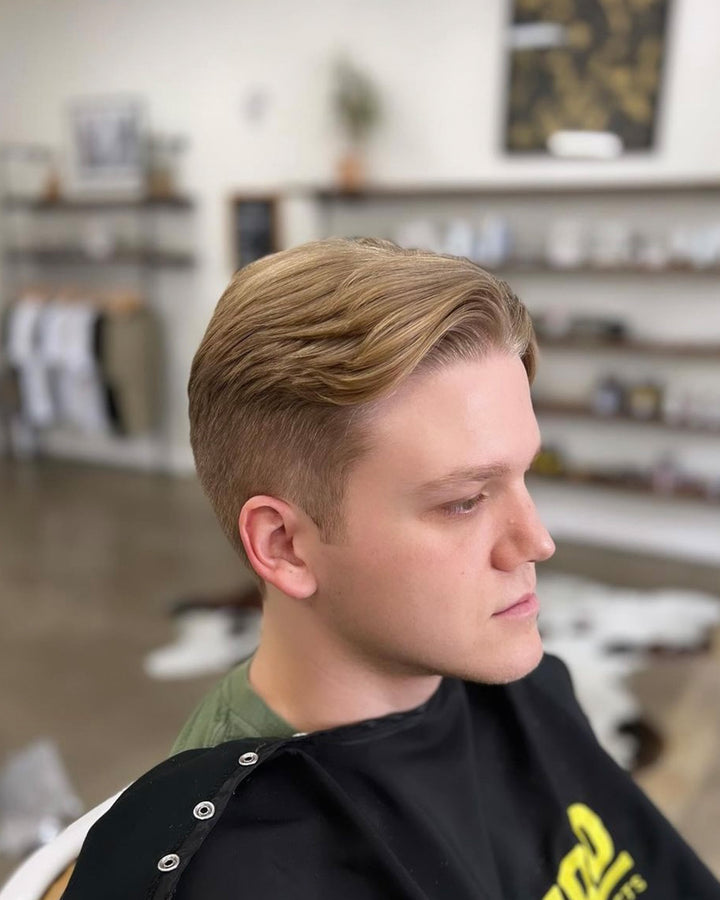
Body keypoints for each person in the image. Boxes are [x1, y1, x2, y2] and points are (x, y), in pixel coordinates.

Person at [62, 238, 720, 899]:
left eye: (524, 476)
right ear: (285, 545)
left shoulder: (528, 687)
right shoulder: (243, 862)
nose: (537, 541)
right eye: (464, 501)